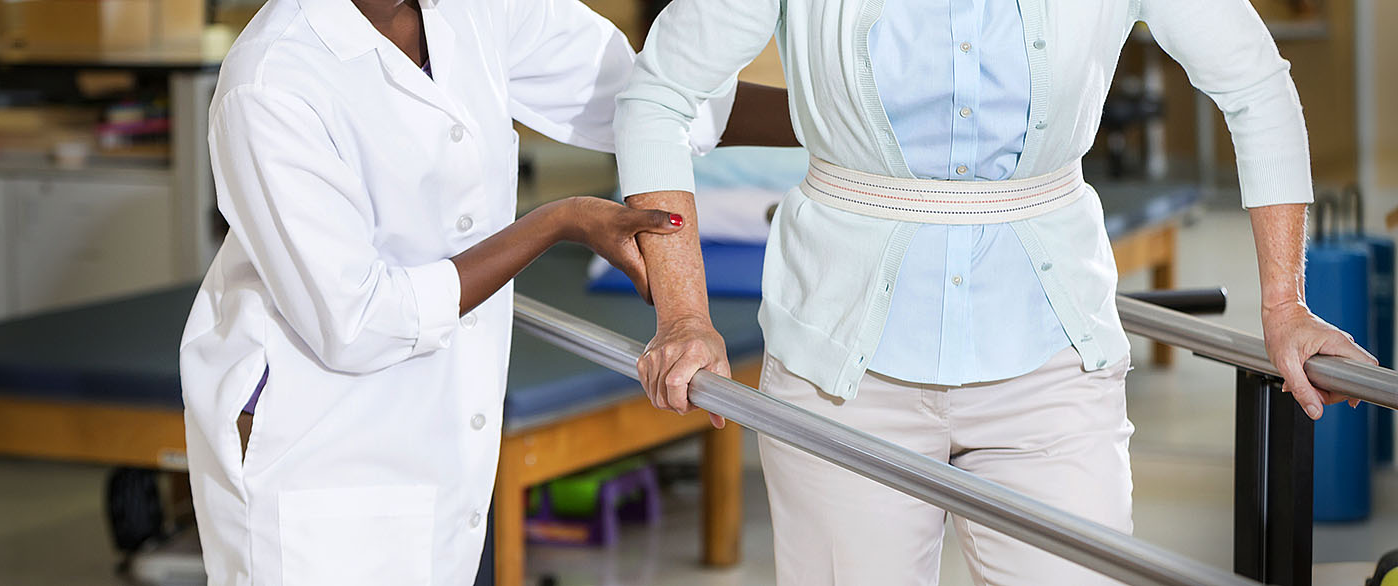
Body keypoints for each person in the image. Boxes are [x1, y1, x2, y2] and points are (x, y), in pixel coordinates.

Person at [616, 0, 1378, 584]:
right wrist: (683, 312)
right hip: (838, 365)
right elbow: (659, 93)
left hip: (1050, 360)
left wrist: (1285, 306)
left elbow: (1254, 84)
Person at [178, 0, 795, 583]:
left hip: (438, 433)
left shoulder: (477, 9)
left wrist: (838, 127)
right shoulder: (270, 81)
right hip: (318, 443)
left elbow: (649, 95)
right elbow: (357, 322)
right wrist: (558, 222)